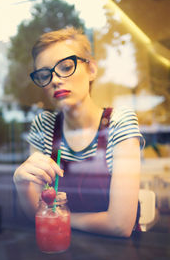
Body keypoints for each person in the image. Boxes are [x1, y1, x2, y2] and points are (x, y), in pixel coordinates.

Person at [13, 27, 144, 237]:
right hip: (58, 250)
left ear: (91, 69)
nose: (55, 80)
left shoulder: (119, 122)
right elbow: (33, 214)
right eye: (45, 75)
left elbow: (120, 225)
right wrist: (21, 183)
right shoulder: (44, 125)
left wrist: (59, 218)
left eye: (65, 67)